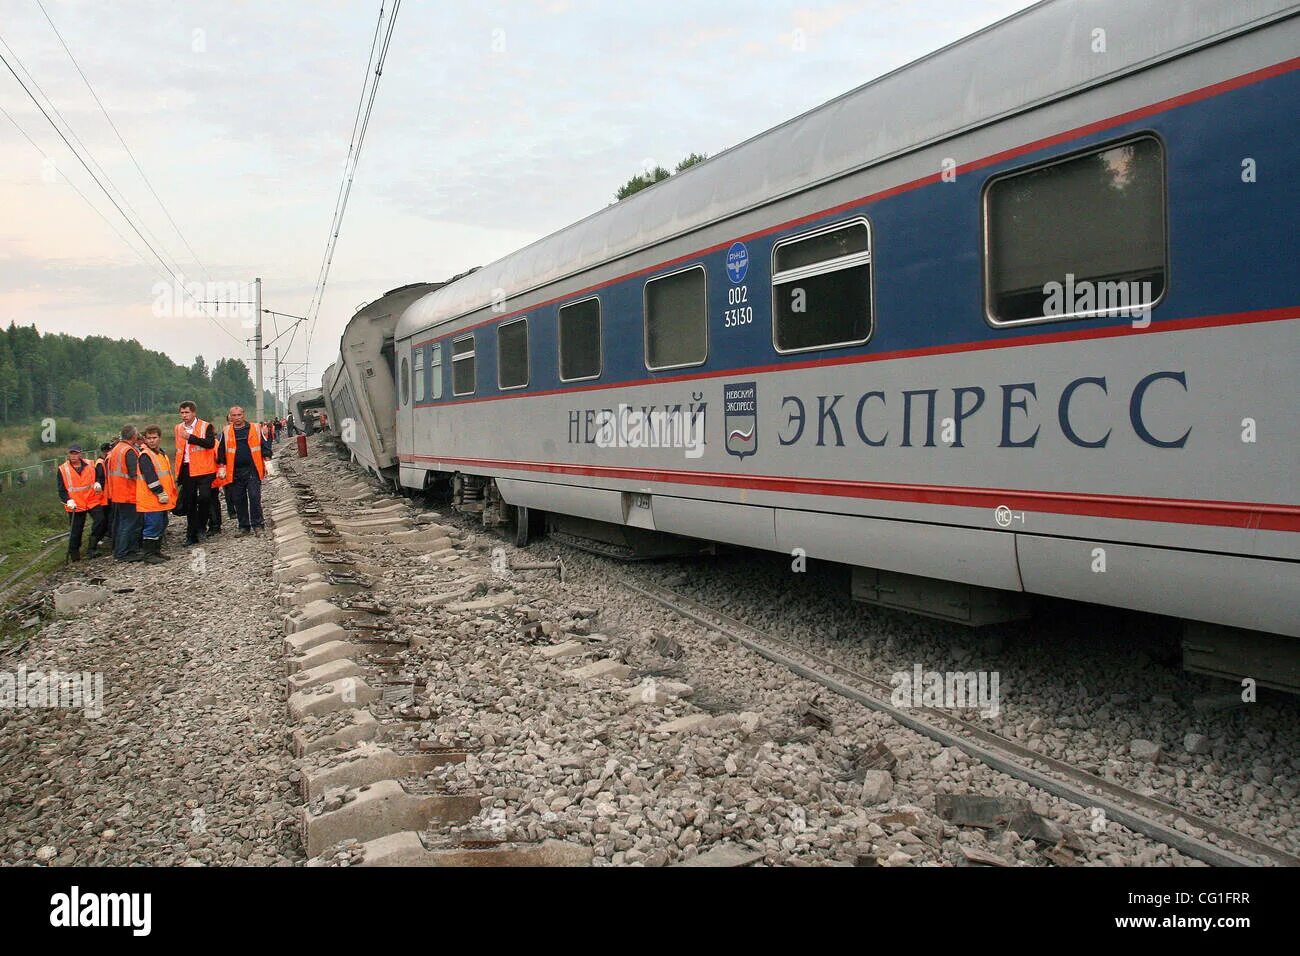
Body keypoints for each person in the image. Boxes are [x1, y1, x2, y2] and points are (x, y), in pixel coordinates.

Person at [216, 405, 271, 535]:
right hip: (234, 471)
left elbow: (264, 446)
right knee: (238, 499)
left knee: (254, 496)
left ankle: (258, 525)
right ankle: (244, 526)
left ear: (243, 415)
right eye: (234, 415)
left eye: (239, 415)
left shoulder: (255, 428)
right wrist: (222, 466)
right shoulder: (226, 431)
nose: (237, 418)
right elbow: (221, 450)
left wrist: (268, 462)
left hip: (252, 469)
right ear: (230, 417)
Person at [173, 401, 218, 547]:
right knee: (190, 502)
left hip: (205, 469)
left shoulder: (206, 426)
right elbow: (179, 450)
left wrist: (190, 438)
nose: (184, 416)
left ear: (194, 413)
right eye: (182, 413)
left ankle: (201, 524)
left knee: (205, 498)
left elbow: (210, 444)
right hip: (186, 469)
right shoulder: (178, 428)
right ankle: (191, 535)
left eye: (187, 412)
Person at [56, 444, 108, 562]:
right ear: (68, 454)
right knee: (76, 530)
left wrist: (98, 483)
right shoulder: (62, 469)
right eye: (71, 453)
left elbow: (99, 476)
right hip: (76, 503)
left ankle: (92, 548)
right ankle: (74, 554)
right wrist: (68, 500)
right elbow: (61, 489)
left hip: (91, 500)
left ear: (80, 454)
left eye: (75, 453)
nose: (73, 456)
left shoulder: (90, 464)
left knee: (101, 521)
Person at [135, 425, 176, 564]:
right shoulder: (146, 455)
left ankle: (156, 551)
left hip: (161, 498)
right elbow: (150, 476)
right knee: (152, 526)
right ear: (145, 439)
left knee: (161, 524)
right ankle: (148, 555)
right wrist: (159, 492)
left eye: (154, 438)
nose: (152, 441)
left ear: (159, 438)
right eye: (149, 438)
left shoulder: (160, 453)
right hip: (152, 498)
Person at [105, 425, 144, 562]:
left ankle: (128, 550)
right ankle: (123, 553)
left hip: (118, 493)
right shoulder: (129, 451)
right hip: (129, 493)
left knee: (124, 523)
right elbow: (134, 474)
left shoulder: (116, 449)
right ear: (133, 436)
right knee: (129, 524)